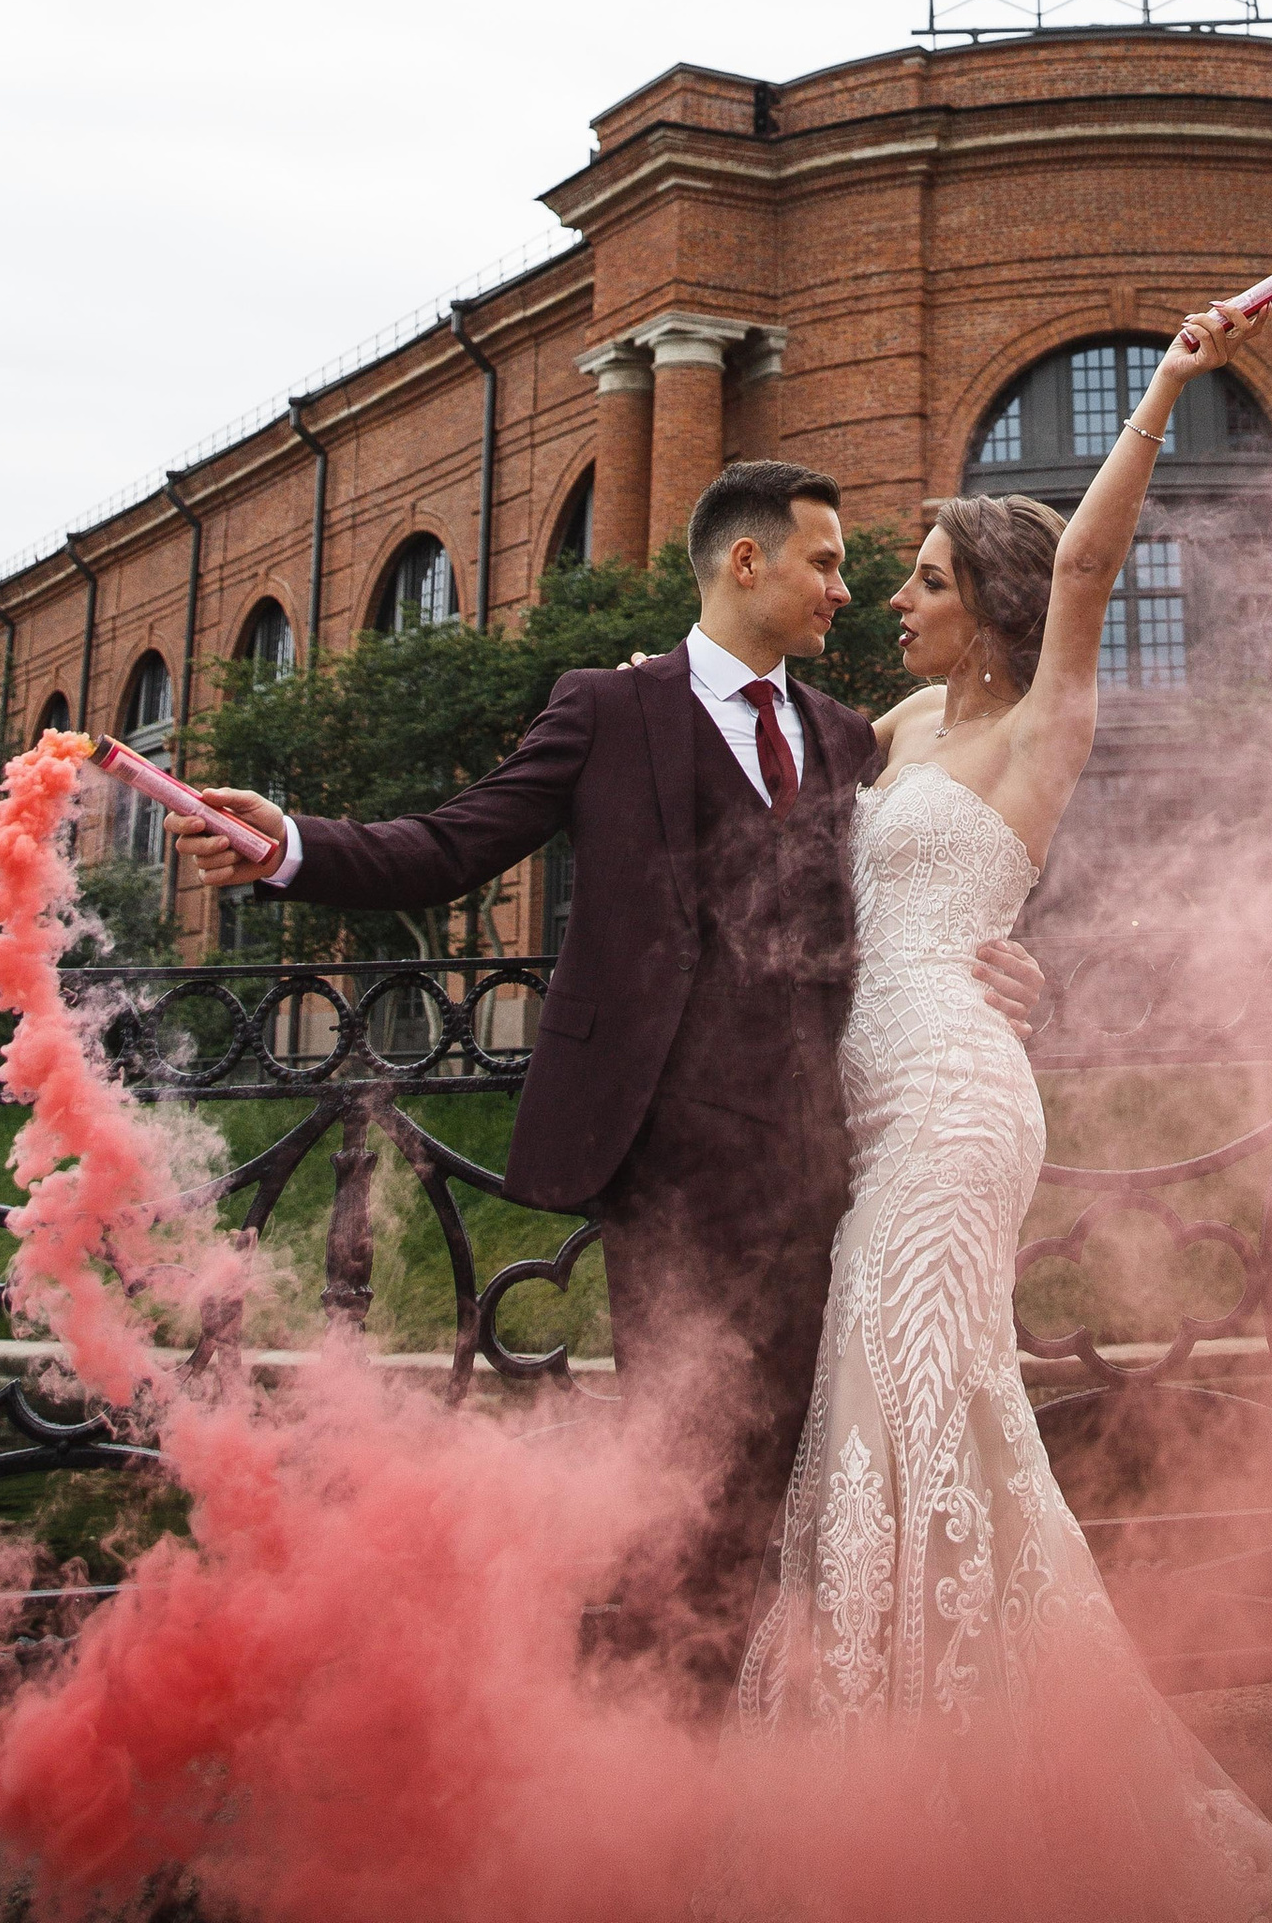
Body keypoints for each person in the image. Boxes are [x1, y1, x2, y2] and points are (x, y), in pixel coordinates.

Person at [171, 458, 1044, 1698]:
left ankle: (792, 1739)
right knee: (684, 1470)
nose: (846, 589)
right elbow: (451, 845)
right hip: (666, 1164)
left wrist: (1013, 975)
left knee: (817, 1472)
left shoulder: (851, 739)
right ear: (748, 563)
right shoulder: (605, 708)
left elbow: (947, 875)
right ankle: (663, 1758)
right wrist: (290, 846)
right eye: (828, 561)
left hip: (831, 1170)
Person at [732, 303, 1272, 1920]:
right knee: (935, 1435)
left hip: (951, 1113)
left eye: (928, 579)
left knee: (893, 1412)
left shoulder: (1040, 717)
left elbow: (1084, 567)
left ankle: (919, 1808)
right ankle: (965, 1780)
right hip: (874, 1106)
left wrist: (1163, 384)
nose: (899, 600)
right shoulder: (903, 730)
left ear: (993, 605)